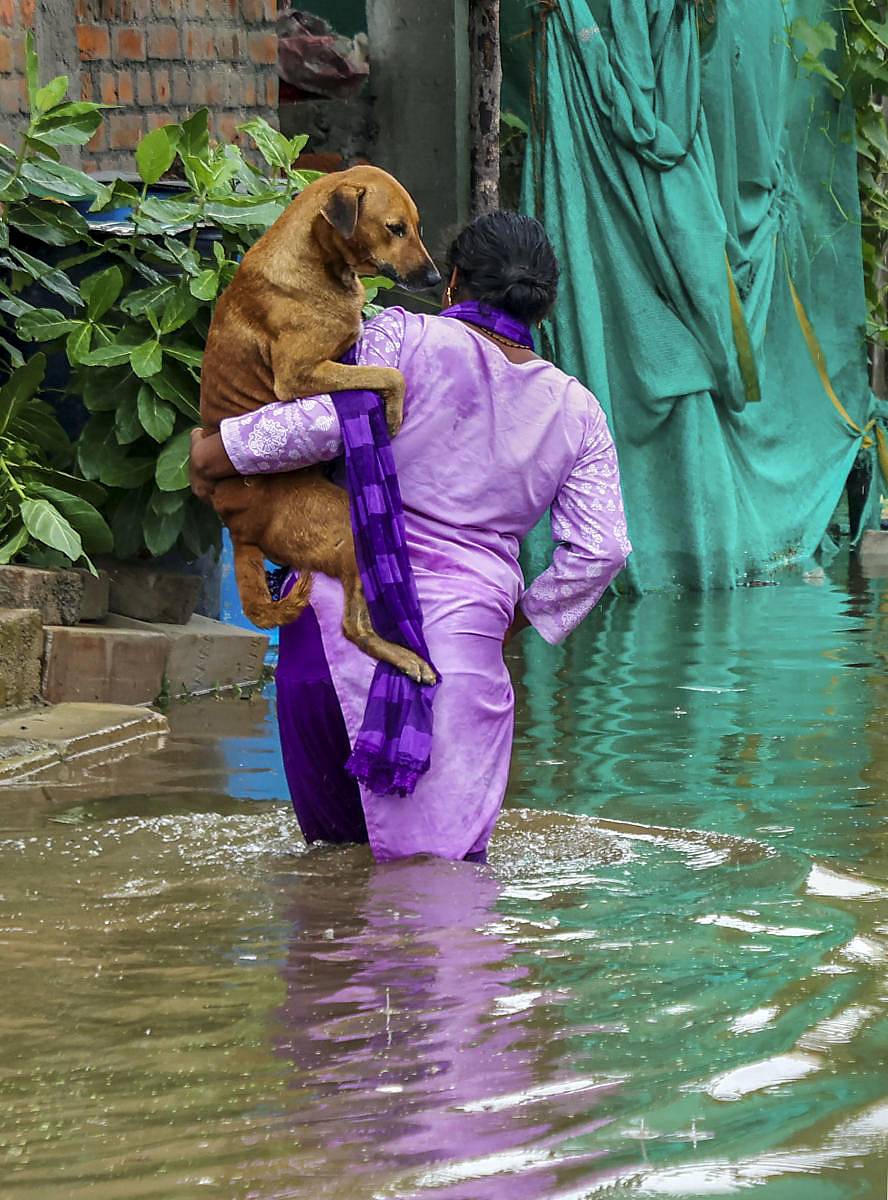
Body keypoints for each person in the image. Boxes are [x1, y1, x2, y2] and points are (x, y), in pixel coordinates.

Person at [190, 212, 631, 863]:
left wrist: (221, 448)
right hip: (455, 657)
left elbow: (327, 421)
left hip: (333, 629)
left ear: (452, 283)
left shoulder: (401, 338)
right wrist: (518, 616)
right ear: (545, 304)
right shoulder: (578, 412)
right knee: (439, 895)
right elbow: (604, 548)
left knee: (329, 880)